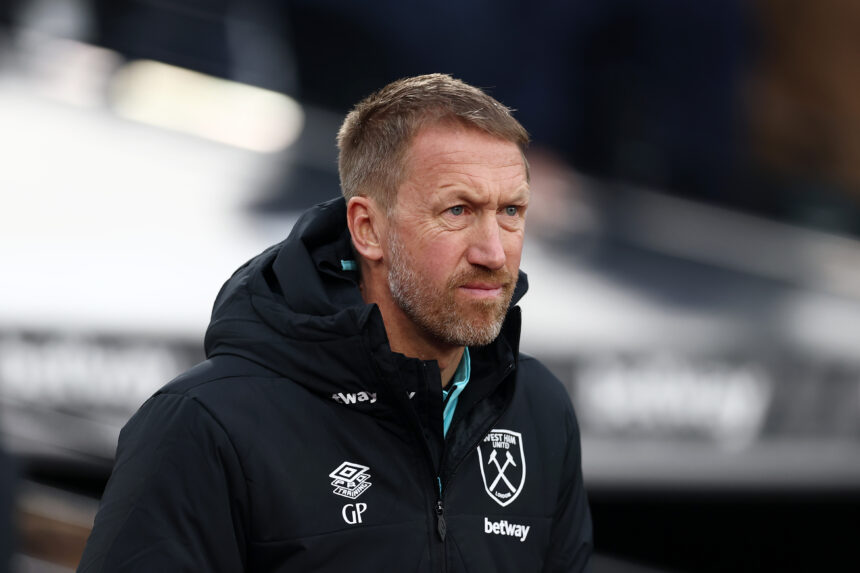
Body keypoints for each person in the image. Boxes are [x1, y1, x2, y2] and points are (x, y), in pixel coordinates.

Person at [77, 73, 593, 572]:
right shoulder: (204, 423)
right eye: (457, 211)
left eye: (511, 211)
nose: (494, 251)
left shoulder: (537, 408)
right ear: (368, 229)